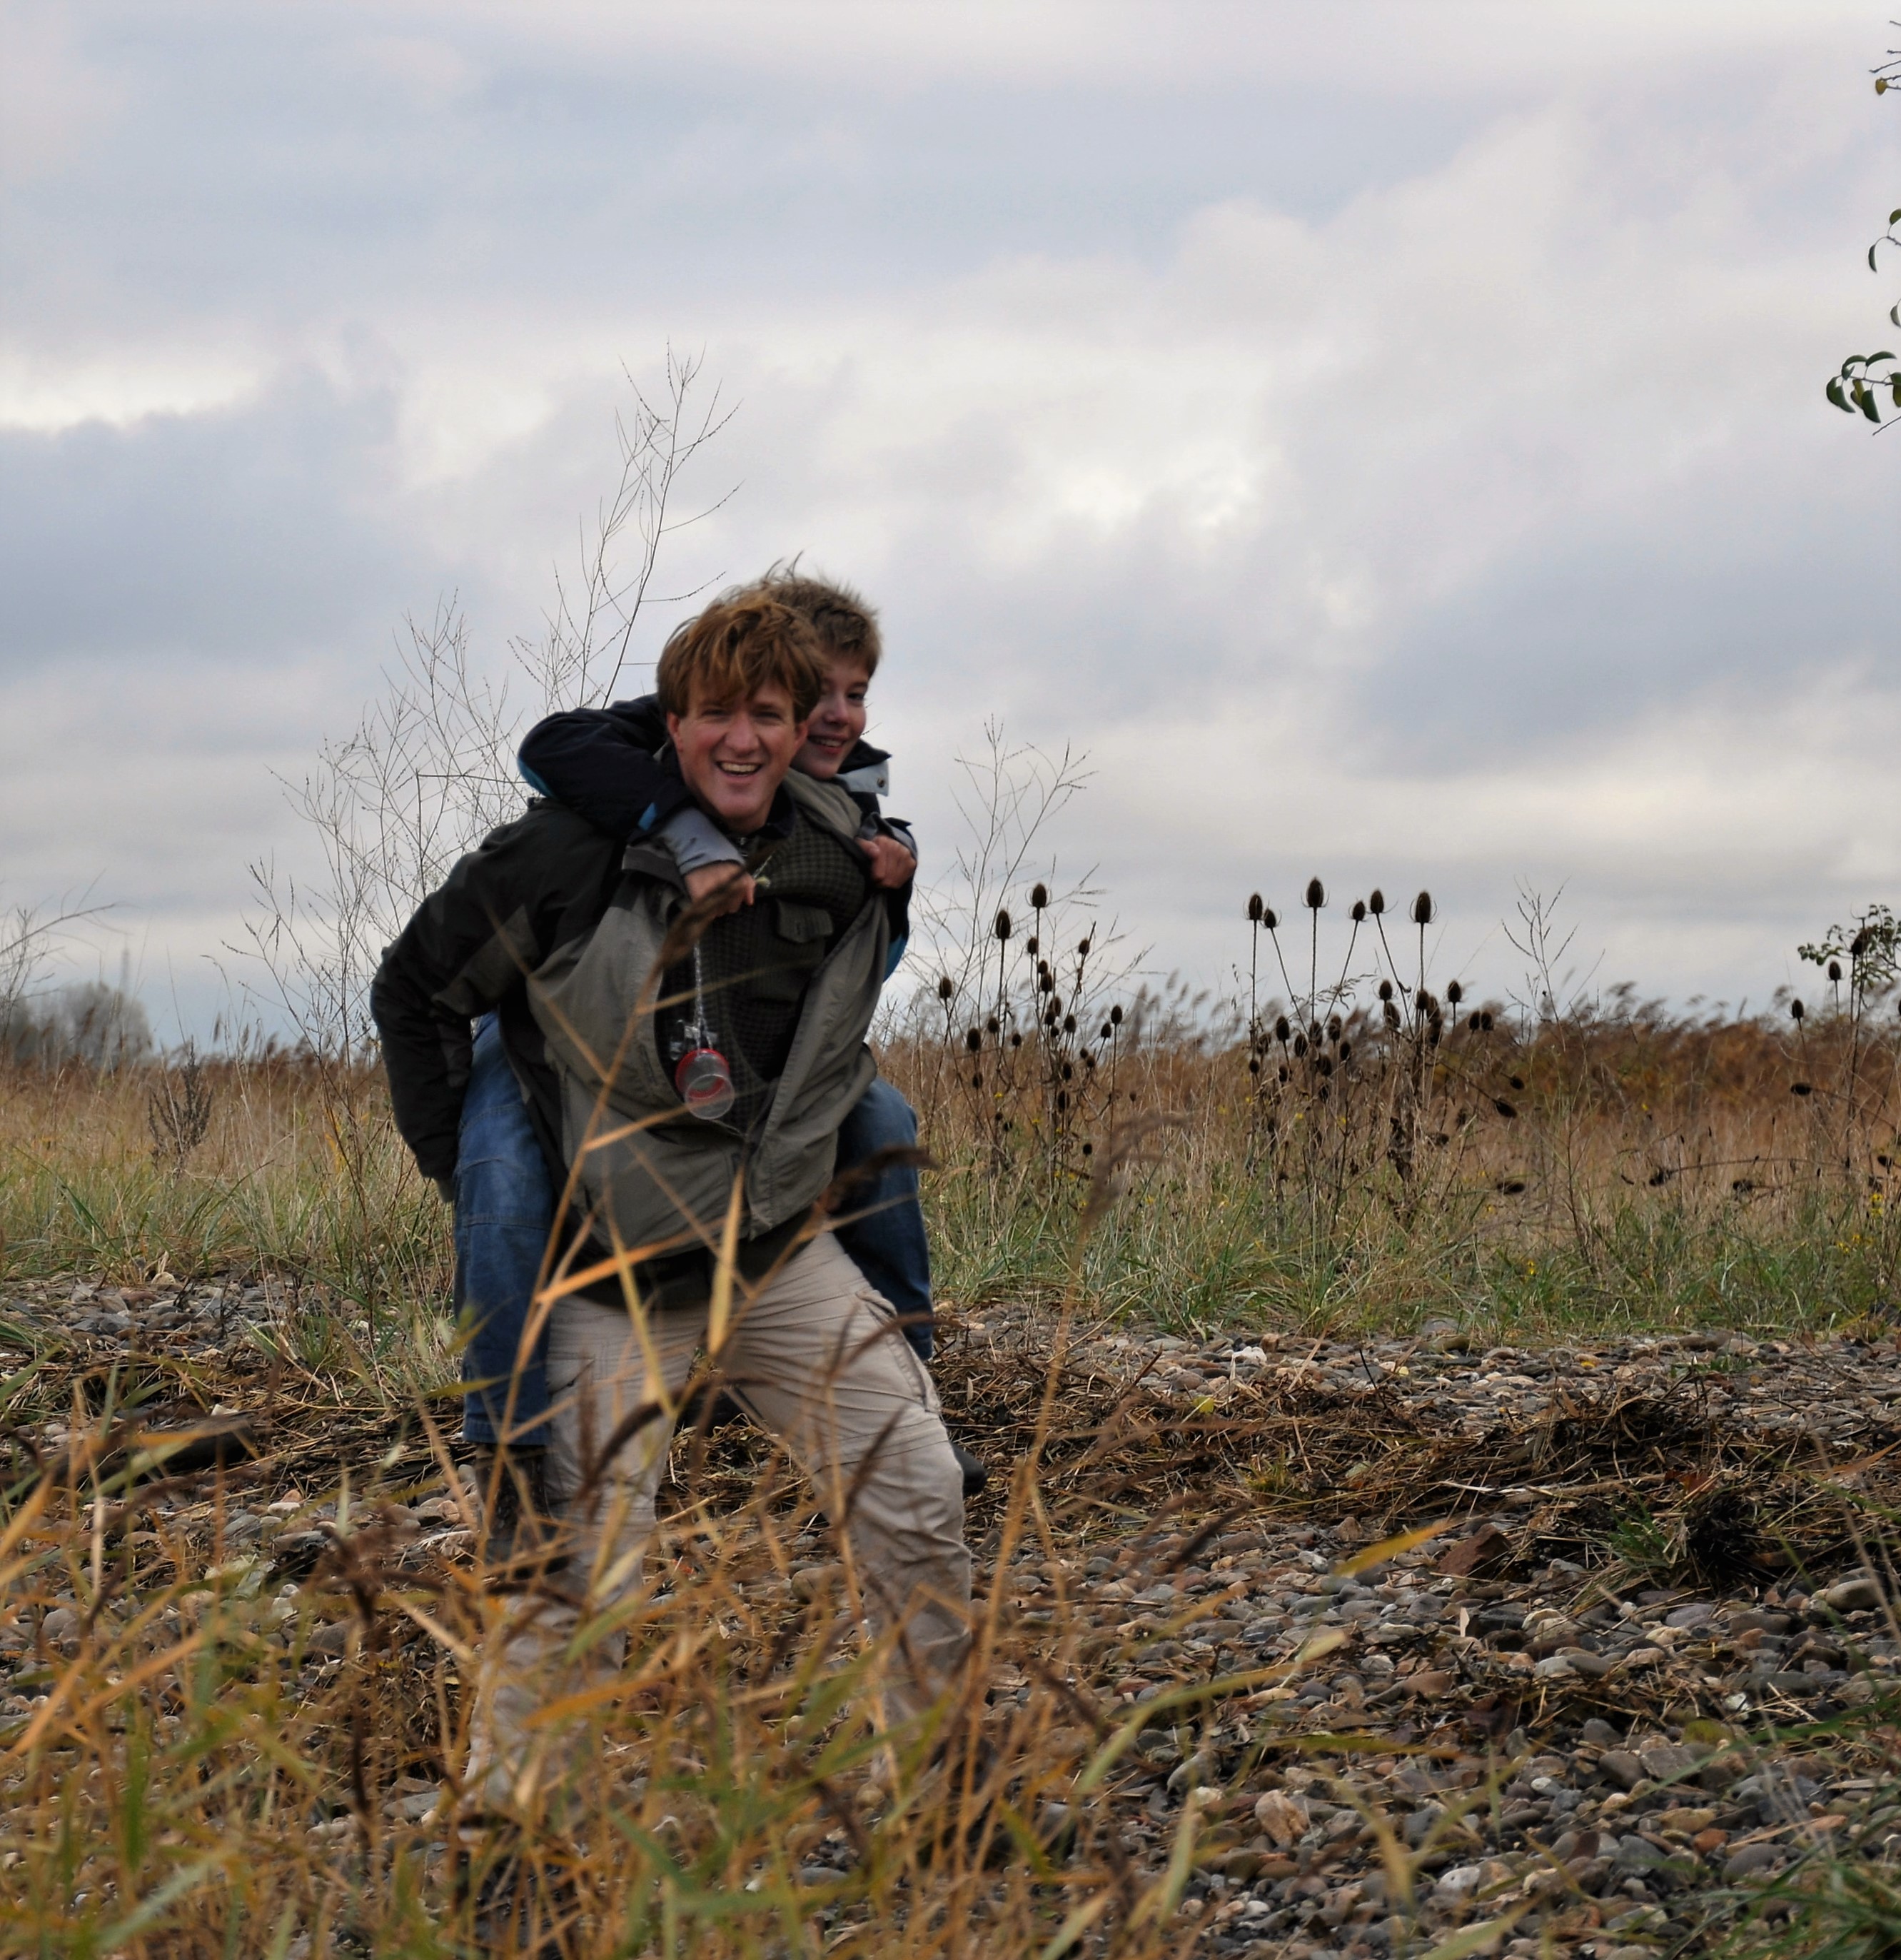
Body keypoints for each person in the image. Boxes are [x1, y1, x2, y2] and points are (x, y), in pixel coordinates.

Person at [372, 588, 972, 1811]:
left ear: (809, 722)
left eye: (769, 714)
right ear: (672, 725)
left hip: (774, 1259)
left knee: (920, 1492)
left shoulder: (840, 853)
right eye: (713, 718)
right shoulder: (568, 853)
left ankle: (936, 1806)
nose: (741, 741)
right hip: (607, 1277)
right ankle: (517, 1841)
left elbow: (850, 1016)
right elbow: (413, 990)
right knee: (582, 1573)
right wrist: (475, 1175)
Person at [448, 566, 976, 1496]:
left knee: (881, 1126)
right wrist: (682, 819)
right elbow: (549, 747)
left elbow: (857, 978)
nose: (837, 713)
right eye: (815, 690)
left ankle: (907, 1385)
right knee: (503, 1156)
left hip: (738, 1042)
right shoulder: (661, 735)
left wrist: (891, 892)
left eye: (856, 694)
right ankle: (507, 1432)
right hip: (557, 1019)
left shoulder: (852, 803)